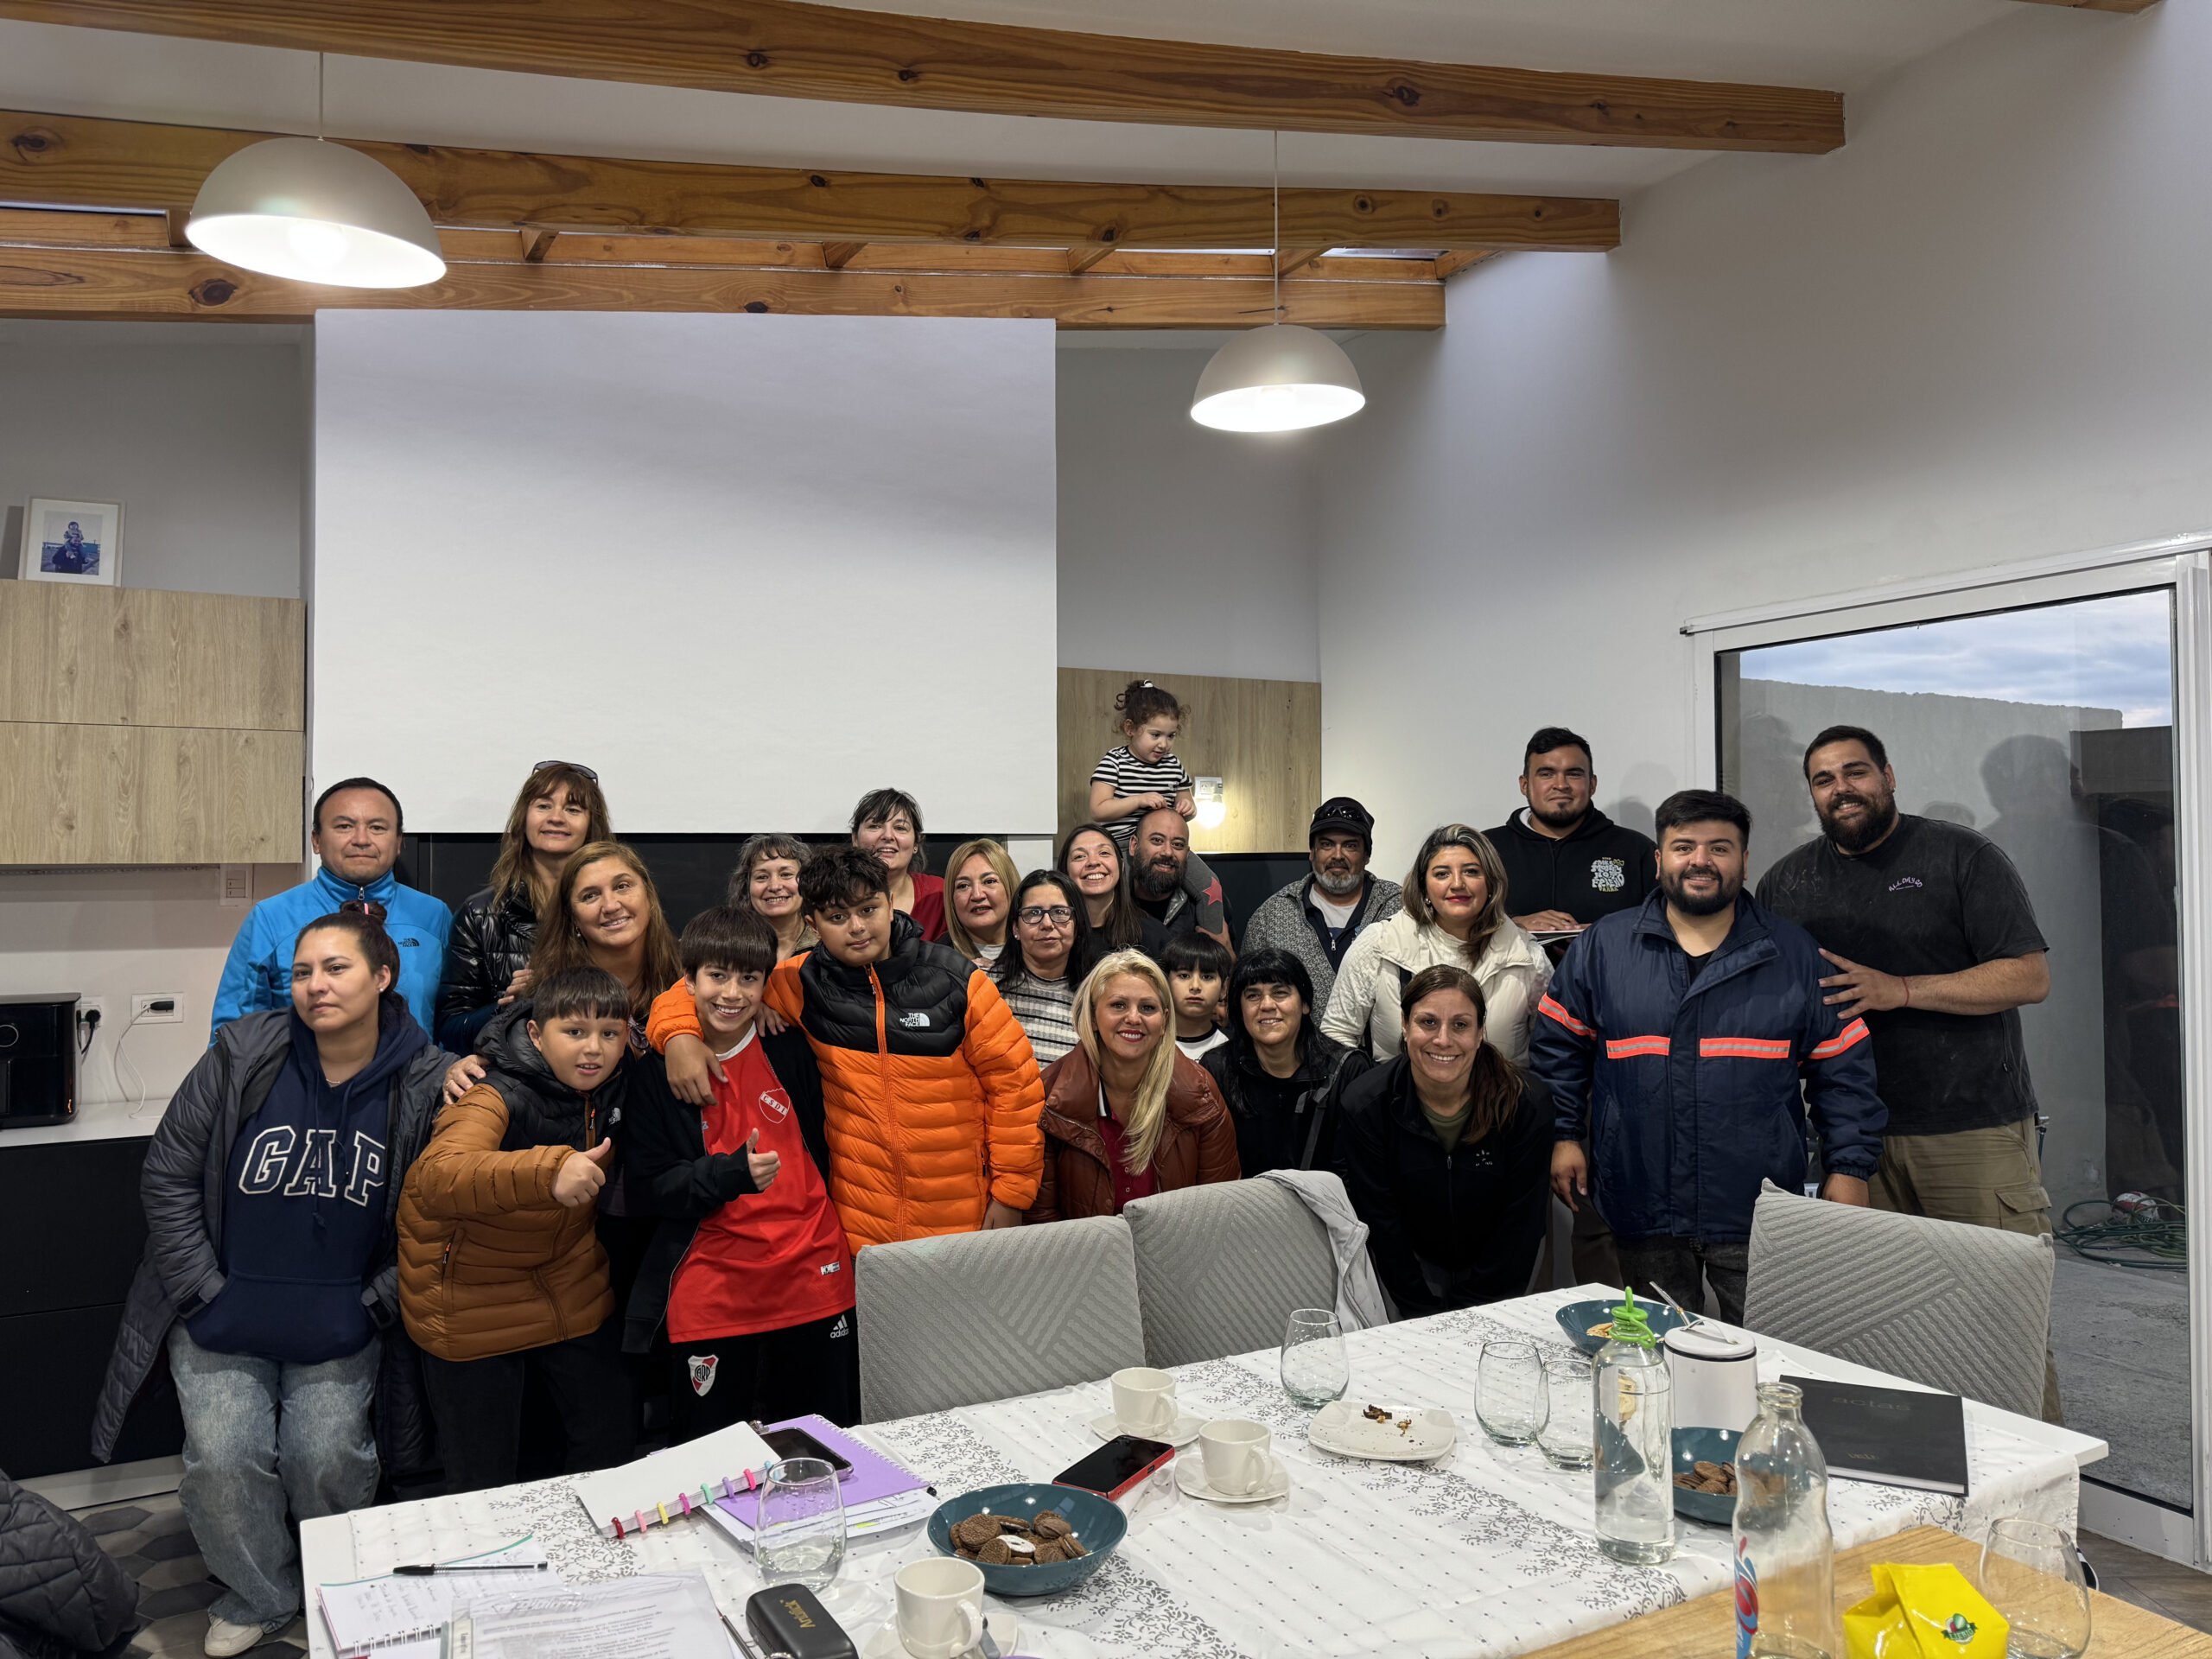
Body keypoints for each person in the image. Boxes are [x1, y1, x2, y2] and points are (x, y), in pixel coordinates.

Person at [93, 911, 451, 1656]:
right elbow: (168, 1174)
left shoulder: (424, 1078)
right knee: (223, 1462)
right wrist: (201, 1290)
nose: (316, 985)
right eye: (302, 972)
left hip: (342, 1318)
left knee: (327, 1459)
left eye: (336, 968)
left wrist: (375, 1303)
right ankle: (259, 1593)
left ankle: (333, 1585)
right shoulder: (242, 1054)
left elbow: (436, 1218)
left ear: (383, 977)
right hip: (223, 1309)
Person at [1754, 726, 2060, 1416]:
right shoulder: (1787, 882)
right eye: (1824, 780)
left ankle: (2041, 1481)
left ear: (1888, 776)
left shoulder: (1961, 856)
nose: (1842, 789)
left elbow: (2029, 976)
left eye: (1855, 772)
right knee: (1880, 1329)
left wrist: (1901, 990)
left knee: (2001, 1324)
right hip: (1854, 1144)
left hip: (1970, 1132)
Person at [1532, 789, 1885, 1325]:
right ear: (1659, 860)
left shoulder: (1794, 954)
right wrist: (1563, 1136)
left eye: (1720, 848)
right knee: (1652, 1352)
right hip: (1640, 1197)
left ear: (1744, 860)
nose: (1700, 860)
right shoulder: (1603, 948)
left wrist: (1849, 1167)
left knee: (1769, 1350)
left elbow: (1844, 1069)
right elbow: (1558, 1050)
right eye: (1684, 847)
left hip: (1758, 1204)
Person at [648, 847, 1046, 1250]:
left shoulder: (958, 981)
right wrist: (680, 1036)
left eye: (868, 909)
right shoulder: (799, 982)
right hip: (859, 1229)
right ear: (814, 925)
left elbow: (1016, 1088)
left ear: (890, 904)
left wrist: (1011, 1195)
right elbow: (699, 988)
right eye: (837, 917)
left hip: (964, 1219)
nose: (857, 927)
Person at [398, 967, 638, 1493]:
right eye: (573, 1031)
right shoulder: (493, 1092)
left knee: (614, 1441)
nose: (593, 1048)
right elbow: (436, 1175)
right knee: (485, 1484)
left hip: (567, 1281)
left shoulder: (618, 1082)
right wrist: (549, 1171)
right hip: (472, 1297)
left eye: (610, 1033)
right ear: (535, 1033)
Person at [625, 908, 854, 1433]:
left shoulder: (790, 1046)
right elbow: (647, 1188)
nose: (732, 993)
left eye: (749, 978)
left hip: (813, 1279)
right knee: (714, 1462)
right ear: (688, 981)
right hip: (714, 1290)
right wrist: (726, 1176)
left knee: (826, 1448)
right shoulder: (658, 1071)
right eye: (717, 976)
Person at [1333, 966, 1556, 1316]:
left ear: (1481, 1033)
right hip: (1409, 1267)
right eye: (1428, 1022)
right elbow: (1381, 1220)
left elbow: (1521, 1224)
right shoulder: (1365, 1105)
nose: (1443, 1039)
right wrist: (1422, 1314)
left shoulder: (1526, 1103)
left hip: (1502, 1268)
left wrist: (1474, 1309)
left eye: (1460, 1025)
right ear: (1404, 1025)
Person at [212, 777, 451, 1039]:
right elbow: (232, 1038)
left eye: (377, 827)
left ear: (398, 842)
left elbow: (453, 1019)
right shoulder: (271, 918)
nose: (361, 839)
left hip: (418, 1066)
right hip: (305, 1068)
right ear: (316, 840)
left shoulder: (433, 915)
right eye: (344, 826)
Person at [1027, 951, 1239, 1222]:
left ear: (1164, 1022)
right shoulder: (1049, 1096)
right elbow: (1041, 1219)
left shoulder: (1201, 1094)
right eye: (1118, 1005)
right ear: (1093, 1017)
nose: (1134, 1018)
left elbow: (1218, 1208)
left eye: (1148, 1008)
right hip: (1082, 1249)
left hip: (1176, 1247)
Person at [1321, 825, 1550, 1064]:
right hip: (1397, 1088)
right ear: (1424, 886)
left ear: (1491, 883)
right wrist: (1371, 1085)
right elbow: (1336, 1036)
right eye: (1442, 874)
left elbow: (1554, 1049)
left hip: (1500, 1088)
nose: (1457, 883)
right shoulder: (1380, 944)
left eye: (1471, 872)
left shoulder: (1527, 955)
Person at [435, 760, 612, 1052]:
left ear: (592, 825)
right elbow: (450, 1029)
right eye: (544, 806)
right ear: (523, 818)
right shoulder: (480, 915)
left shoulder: (615, 910)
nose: (556, 818)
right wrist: (508, 1007)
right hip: (515, 1073)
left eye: (573, 809)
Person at [1202, 947, 1369, 1177]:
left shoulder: (1346, 1070)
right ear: (1240, 1010)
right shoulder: (1217, 1068)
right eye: (1253, 996)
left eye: (1280, 992)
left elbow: (1355, 1170)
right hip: (1241, 1197)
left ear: (1305, 1004)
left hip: (1325, 1198)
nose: (1267, 1005)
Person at [1087, 678, 1228, 940]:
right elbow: (1098, 809)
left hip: (1162, 845)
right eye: (1156, 735)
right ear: (1131, 728)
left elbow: (1188, 804)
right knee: (1114, 899)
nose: (1164, 744)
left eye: (1170, 736)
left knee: (1211, 886)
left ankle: (1212, 945)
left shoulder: (1173, 765)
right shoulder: (1114, 761)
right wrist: (1138, 800)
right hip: (1120, 848)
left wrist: (1188, 807)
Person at [1487, 728, 1658, 944]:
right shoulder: (1486, 850)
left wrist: (1610, 932)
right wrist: (1512, 926)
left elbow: (1670, 923)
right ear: (1524, 785)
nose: (1561, 785)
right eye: (1546, 774)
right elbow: (1454, 927)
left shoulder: (1637, 850)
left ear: (1592, 784)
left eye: (1574, 774)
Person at [1242, 797, 1403, 1013]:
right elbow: (1246, 995)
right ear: (1312, 852)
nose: (1337, 855)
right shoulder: (1271, 917)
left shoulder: (1400, 908)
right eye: (1326, 845)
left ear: (1366, 855)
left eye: (1350, 846)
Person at [991, 869, 1099, 1066]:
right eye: (1034, 913)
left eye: (1060, 912)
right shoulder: (987, 989)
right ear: (1016, 928)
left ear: (1078, 925)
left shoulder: (1095, 998)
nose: (1047, 924)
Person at [1128, 806, 1235, 950]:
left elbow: (1231, 960)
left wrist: (1229, 958)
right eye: (1157, 840)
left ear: (1187, 854)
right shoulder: (1111, 904)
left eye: (1177, 845)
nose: (1167, 852)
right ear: (1134, 846)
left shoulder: (1211, 904)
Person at [1058, 823, 1169, 956]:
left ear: (1121, 865)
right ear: (1065, 870)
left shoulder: (1153, 934)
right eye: (1080, 856)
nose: (1093, 862)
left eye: (1104, 853)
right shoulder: (1054, 935)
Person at [851, 787, 945, 941]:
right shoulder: (832, 894)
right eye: (875, 826)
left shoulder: (941, 894)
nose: (888, 836)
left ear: (916, 842)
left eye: (900, 828)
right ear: (855, 838)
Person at [729, 832, 817, 960]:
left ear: (807, 881)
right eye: (762, 877)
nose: (775, 886)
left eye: (786, 874)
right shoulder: (726, 948)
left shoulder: (829, 946)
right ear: (746, 887)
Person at [944, 838, 1020, 966]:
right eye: (963, 886)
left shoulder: (1039, 949)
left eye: (989, 881)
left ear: (1010, 886)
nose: (977, 895)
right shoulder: (936, 963)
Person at [1160, 932, 1232, 1063]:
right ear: (1165, 982)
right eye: (1184, 976)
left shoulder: (1233, 1049)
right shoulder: (1151, 1042)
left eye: (1207, 977)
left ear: (1224, 988)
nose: (1195, 986)